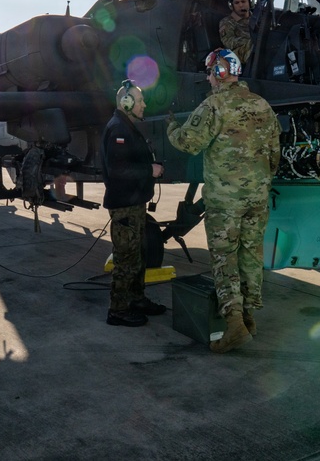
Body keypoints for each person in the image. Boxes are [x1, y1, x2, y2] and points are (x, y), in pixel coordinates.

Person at [167, 49, 281, 353]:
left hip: (225, 201)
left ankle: (232, 324)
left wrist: (170, 128)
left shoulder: (214, 105)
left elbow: (188, 142)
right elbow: (275, 154)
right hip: (257, 198)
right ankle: (249, 318)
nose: (207, 78)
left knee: (224, 257)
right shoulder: (262, 105)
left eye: (209, 72)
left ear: (219, 71)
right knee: (251, 254)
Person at [101, 80, 167, 327]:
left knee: (138, 256)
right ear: (126, 102)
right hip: (125, 205)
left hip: (135, 203)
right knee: (126, 259)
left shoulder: (126, 126)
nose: (144, 105)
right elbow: (118, 169)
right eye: (140, 101)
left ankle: (136, 299)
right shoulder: (118, 128)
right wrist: (149, 169)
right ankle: (117, 310)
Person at [218, 0, 254, 66]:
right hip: (236, 53)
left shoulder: (258, 18)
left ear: (250, 2)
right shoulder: (227, 22)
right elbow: (228, 41)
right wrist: (250, 41)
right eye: (237, 3)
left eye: (243, 1)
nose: (240, 5)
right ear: (232, 6)